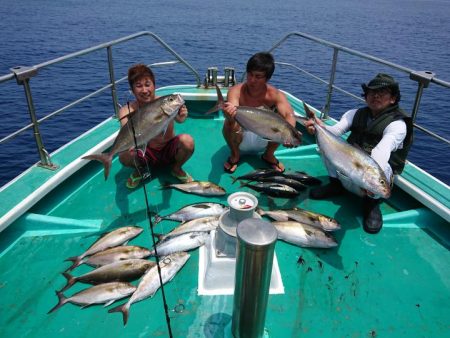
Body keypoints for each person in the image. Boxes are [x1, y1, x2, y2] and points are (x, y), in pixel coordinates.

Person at [305, 73, 413, 234]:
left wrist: (371, 180)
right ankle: (336, 185)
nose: (375, 96)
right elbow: (334, 132)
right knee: (328, 146)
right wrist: (318, 127)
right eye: (371, 92)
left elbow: (380, 152)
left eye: (382, 93)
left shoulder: (397, 124)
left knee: (383, 169)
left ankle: (371, 205)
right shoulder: (355, 113)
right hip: (353, 168)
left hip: (369, 174)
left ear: (393, 99)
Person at [118, 64, 194, 189]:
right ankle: (140, 170)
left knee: (188, 141)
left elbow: (180, 120)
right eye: (138, 86)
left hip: (168, 151)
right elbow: (125, 133)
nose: (144, 90)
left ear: (154, 85)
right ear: (132, 90)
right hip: (145, 153)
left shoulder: (166, 103)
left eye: (147, 85)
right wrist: (130, 146)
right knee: (124, 155)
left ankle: (176, 168)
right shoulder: (127, 111)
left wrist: (181, 117)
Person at [222, 52, 297, 173]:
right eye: (250, 74)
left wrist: (290, 134)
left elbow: (289, 114)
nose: (252, 80)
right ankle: (235, 154)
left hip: (265, 138)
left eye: (258, 77)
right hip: (241, 135)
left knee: (280, 122)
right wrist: (228, 114)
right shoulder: (236, 91)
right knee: (229, 122)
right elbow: (232, 111)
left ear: (267, 78)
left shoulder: (275, 95)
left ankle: (268, 155)